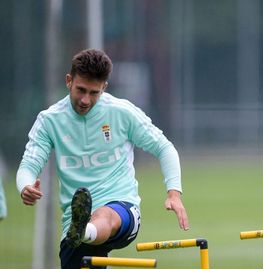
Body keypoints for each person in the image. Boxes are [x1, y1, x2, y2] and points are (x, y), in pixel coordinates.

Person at [16, 49, 189, 269]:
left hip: (122, 210)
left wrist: (173, 192)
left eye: (94, 93)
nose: (86, 100)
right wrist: (25, 186)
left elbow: (164, 148)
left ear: (104, 88)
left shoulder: (122, 112)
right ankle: (81, 230)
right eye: (81, 90)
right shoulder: (50, 120)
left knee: (104, 214)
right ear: (69, 81)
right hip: (72, 228)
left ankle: (86, 230)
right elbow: (28, 165)